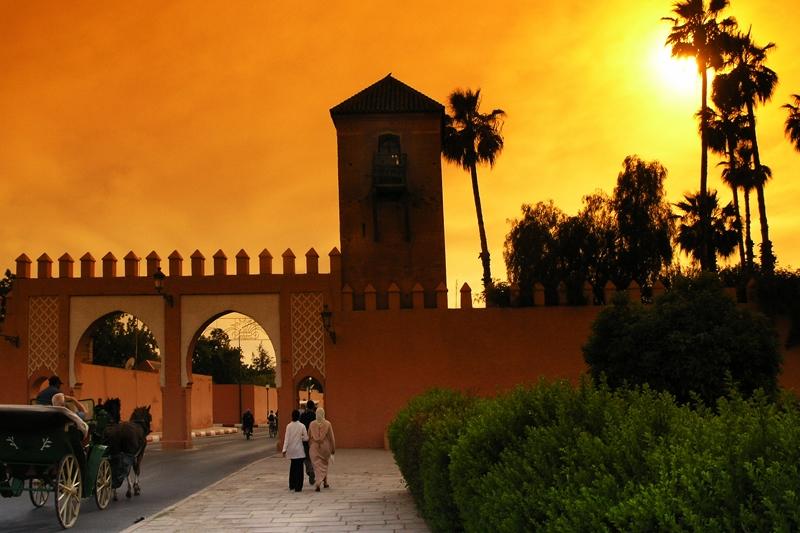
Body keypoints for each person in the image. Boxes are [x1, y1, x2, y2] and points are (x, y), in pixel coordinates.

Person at [308, 407, 336, 492]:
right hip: (325, 448)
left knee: (317, 466)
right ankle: (321, 482)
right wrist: (333, 449)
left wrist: (310, 445)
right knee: (324, 464)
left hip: (314, 448)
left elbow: (309, 436)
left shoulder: (312, 424)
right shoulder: (328, 424)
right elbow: (332, 438)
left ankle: (321, 481)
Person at [282, 409, 308, 492]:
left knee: (293, 467)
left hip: (291, 450)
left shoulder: (288, 426)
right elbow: (306, 438)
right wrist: (301, 437)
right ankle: (298, 487)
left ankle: (291, 485)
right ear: (299, 416)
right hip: (299, 450)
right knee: (299, 469)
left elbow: (286, 438)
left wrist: (284, 449)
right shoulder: (302, 426)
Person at [299, 399, 317, 485]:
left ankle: (310, 471)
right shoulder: (315, 416)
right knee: (314, 457)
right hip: (314, 439)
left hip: (305, 439)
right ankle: (312, 471)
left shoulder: (303, 415)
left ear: (307, 406)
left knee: (306, 457)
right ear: (313, 407)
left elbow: (300, 426)